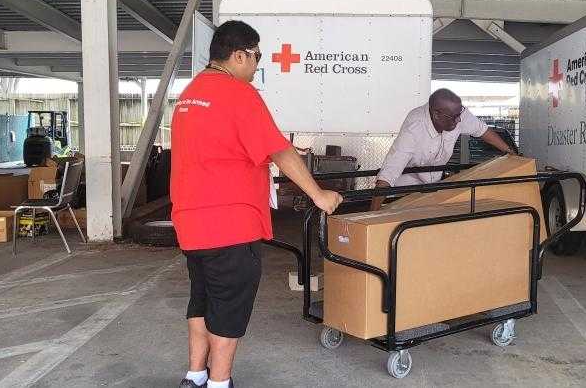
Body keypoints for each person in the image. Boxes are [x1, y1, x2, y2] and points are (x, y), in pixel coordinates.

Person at [171, 20, 342, 388]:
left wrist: (283, 151)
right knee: (228, 308)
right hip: (229, 225)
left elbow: (223, 147)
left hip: (192, 225)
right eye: (256, 56)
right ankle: (220, 383)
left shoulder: (191, 94)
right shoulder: (239, 94)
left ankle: (195, 375)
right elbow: (277, 150)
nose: (257, 64)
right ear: (238, 55)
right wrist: (319, 194)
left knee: (201, 301)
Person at [370, 88, 516, 210]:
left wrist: (512, 153)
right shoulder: (414, 129)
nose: (459, 120)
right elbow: (388, 174)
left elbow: (483, 131)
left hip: (434, 189)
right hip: (406, 192)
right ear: (436, 114)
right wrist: (372, 216)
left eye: (460, 114)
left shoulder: (457, 114)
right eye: (454, 117)